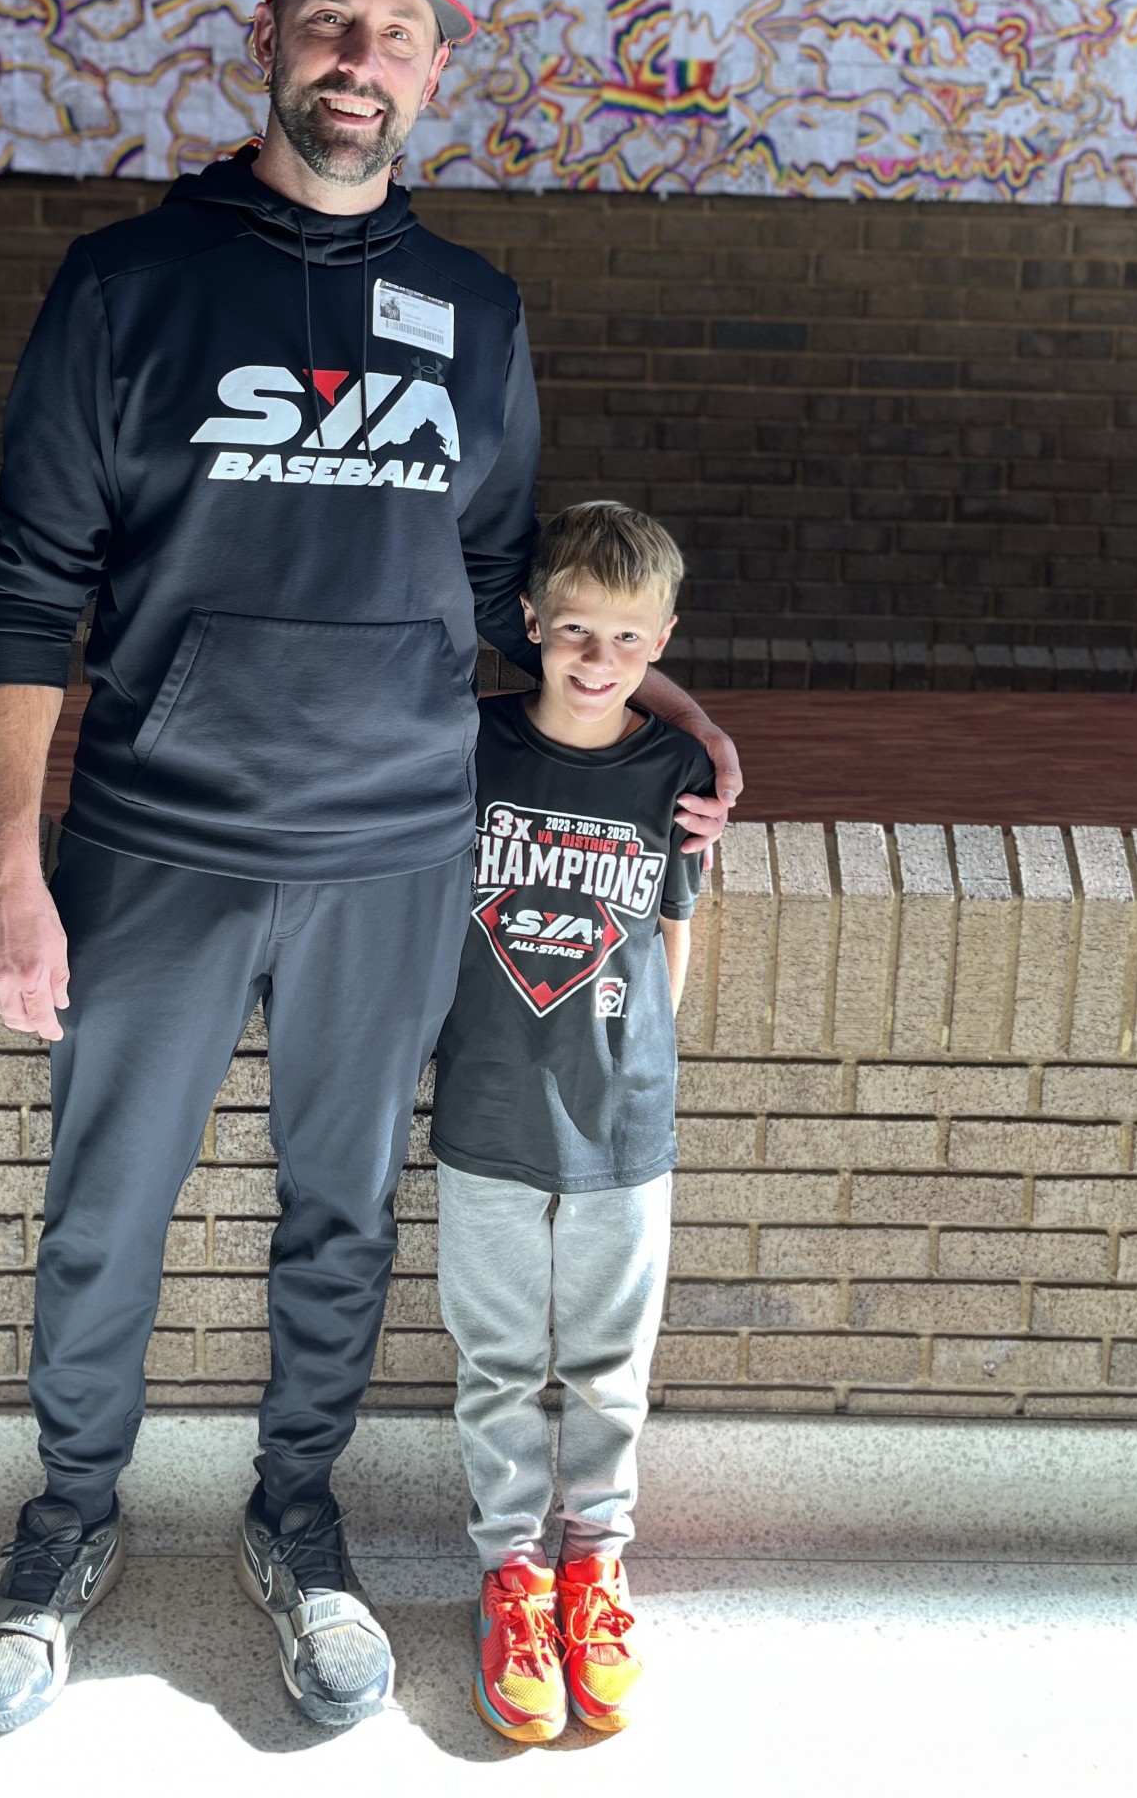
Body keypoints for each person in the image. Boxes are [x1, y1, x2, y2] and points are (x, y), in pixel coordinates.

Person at [0, 0, 741, 1738]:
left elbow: (499, 597)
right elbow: (23, 585)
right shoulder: (129, 283)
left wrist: (656, 724)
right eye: (328, 20)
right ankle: (65, 1522)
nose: (357, 59)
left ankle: (298, 1523)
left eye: (394, 31)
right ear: (272, 39)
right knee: (106, 1208)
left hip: (395, 846)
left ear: (436, 68)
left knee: (340, 1214)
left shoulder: (472, 310)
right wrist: (10, 864)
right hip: (158, 833)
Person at [429, 499, 711, 1744]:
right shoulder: (470, 744)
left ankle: (594, 1569)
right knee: (497, 1361)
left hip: (620, 1124)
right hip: (486, 1105)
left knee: (606, 1369)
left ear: (660, 642)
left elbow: (670, 934)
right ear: (532, 620)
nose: (599, 659)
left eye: (627, 638)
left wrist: (643, 1065)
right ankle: (509, 1574)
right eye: (576, 629)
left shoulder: (674, 772)